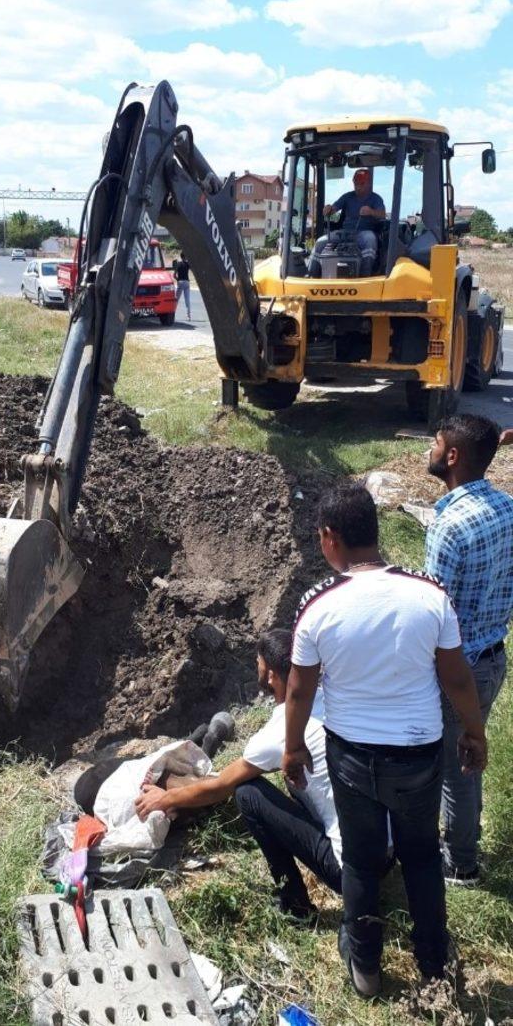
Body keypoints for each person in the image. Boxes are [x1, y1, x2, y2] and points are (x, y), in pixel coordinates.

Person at [283, 483, 486, 999]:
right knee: (420, 856)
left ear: (330, 538)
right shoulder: (429, 593)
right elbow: (457, 679)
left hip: (351, 756)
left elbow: (299, 689)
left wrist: (292, 747)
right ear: (373, 531)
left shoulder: (316, 606)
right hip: (418, 754)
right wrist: (474, 730)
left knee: (361, 860)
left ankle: (367, 970)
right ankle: (434, 964)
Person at [135, 628, 342, 921]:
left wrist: (165, 798)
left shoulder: (279, 733)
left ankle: (295, 905)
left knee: (248, 793)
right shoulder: (332, 701)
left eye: (259, 663)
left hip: (347, 871)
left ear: (270, 675)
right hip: (384, 855)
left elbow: (220, 786)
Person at [425, 414, 513, 886]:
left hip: (460, 668)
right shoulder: (507, 507)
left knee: (455, 764)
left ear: (452, 456)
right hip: (494, 656)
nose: (430, 450)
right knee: (470, 750)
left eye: (435, 443)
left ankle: (461, 865)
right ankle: (466, 836)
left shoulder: (450, 525)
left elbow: (436, 614)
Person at [309, 168, 385, 277]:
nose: (358, 187)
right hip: (344, 232)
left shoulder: (376, 199)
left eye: (362, 184)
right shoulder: (347, 196)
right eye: (356, 183)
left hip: (363, 233)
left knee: (370, 239)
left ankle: (364, 276)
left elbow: (382, 214)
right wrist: (329, 209)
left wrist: (371, 211)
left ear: (368, 183)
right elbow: (334, 207)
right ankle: (311, 274)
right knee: (320, 242)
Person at [173, 254, 192, 320]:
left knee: (176, 300)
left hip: (180, 282)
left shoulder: (178, 264)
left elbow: (174, 275)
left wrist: (178, 279)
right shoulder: (187, 264)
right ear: (185, 257)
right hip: (187, 282)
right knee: (187, 300)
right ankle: (188, 315)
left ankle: (172, 314)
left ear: (181, 257)